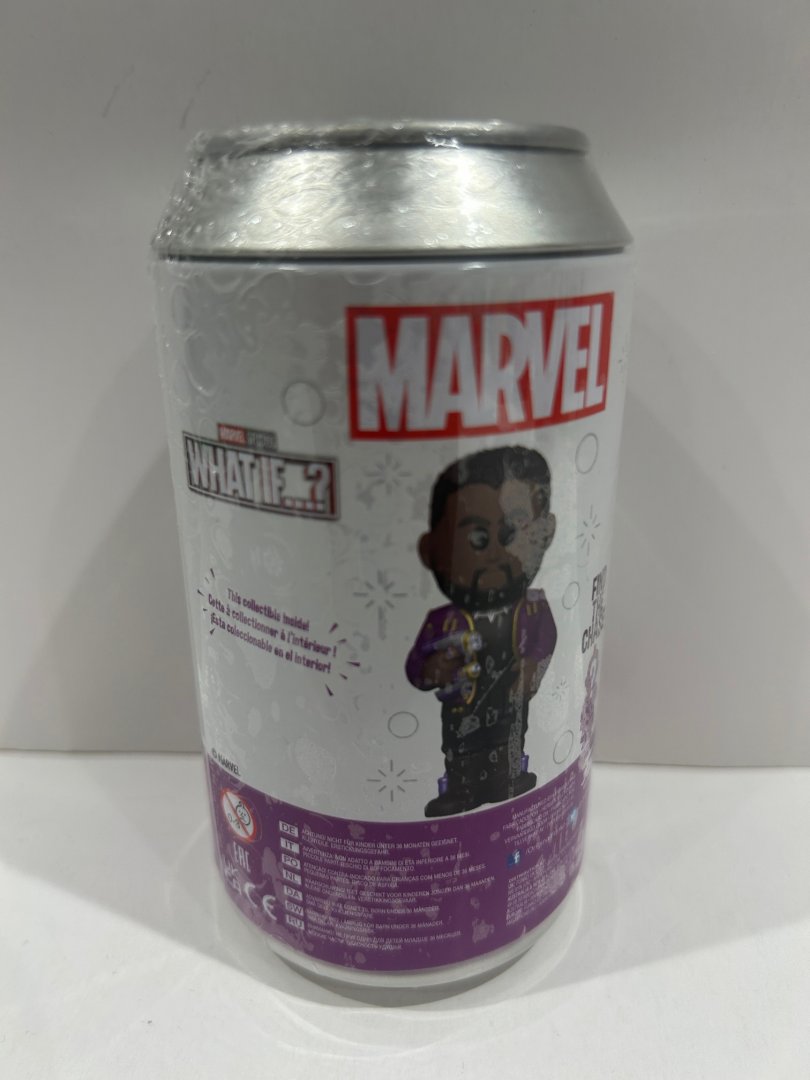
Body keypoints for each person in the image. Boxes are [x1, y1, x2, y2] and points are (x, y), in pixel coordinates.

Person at [406, 446, 557, 817]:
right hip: (464, 708)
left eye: (511, 533)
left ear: (545, 533)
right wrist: (434, 669)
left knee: (509, 740)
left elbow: (545, 640)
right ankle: (461, 789)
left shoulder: (533, 606)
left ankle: (508, 778)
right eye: (476, 539)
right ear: (430, 550)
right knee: (461, 749)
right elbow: (417, 668)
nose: (494, 553)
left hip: (510, 702)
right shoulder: (441, 621)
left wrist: (532, 667)